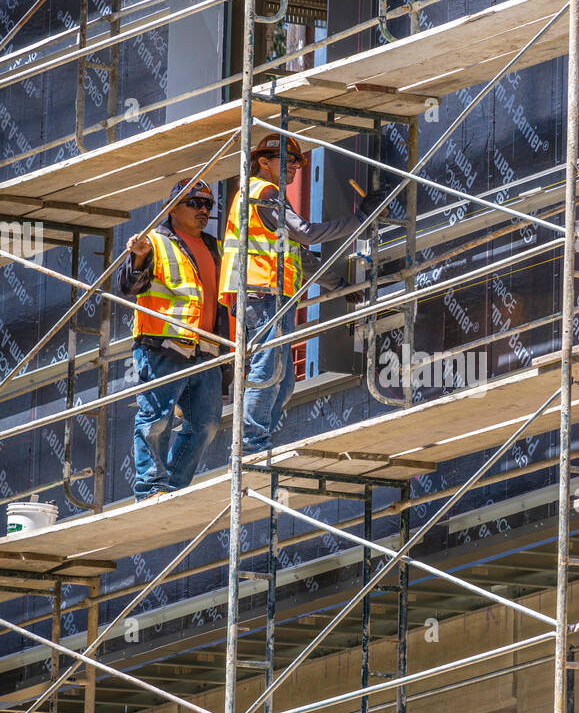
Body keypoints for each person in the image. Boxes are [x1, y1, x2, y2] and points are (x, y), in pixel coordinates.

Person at [218, 133, 387, 455]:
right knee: (267, 369)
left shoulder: (266, 198)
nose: (295, 166)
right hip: (259, 292)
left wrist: (337, 286)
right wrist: (360, 219)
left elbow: (299, 254)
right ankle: (250, 446)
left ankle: (257, 441)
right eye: (288, 160)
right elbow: (305, 233)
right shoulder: (263, 193)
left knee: (283, 381)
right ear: (264, 162)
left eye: (298, 161)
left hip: (270, 295)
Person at [117, 179, 230, 500]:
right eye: (195, 204)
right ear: (172, 208)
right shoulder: (153, 242)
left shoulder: (214, 246)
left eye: (208, 205)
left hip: (206, 350)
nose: (204, 210)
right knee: (156, 420)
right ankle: (151, 487)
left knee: (206, 425)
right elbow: (128, 287)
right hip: (163, 346)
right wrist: (137, 258)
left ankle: (171, 489)